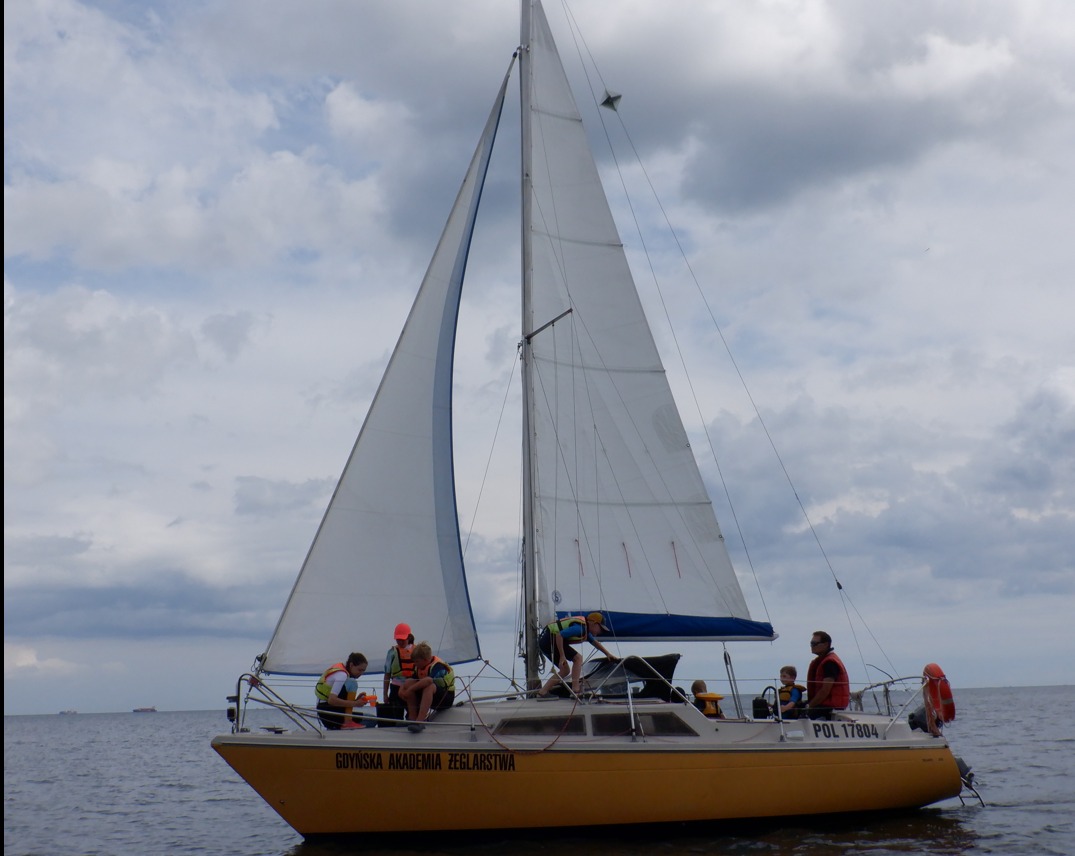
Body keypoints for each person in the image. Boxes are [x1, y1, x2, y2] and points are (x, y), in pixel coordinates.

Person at [536, 612, 618, 697]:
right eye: (600, 628)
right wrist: (562, 656)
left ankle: (542, 692)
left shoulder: (585, 630)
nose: (601, 632)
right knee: (578, 658)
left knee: (565, 670)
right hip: (550, 640)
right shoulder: (579, 628)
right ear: (594, 623)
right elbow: (559, 635)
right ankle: (575, 690)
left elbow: (594, 642)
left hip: (546, 642)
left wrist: (608, 654)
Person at [399, 641, 455, 733]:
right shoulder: (419, 667)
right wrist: (402, 689)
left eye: (417, 661)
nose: (415, 664)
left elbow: (428, 680)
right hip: (429, 696)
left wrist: (409, 690)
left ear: (425, 660)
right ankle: (412, 719)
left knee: (429, 686)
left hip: (445, 698)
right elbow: (410, 680)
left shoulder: (438, 666)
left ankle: (420, 721)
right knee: (409, 682)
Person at [314, 652, 371, 730]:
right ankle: (348, 723)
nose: (361, 673)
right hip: (328, 712)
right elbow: (332, 700)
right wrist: (355, 703)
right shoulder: (342, 675)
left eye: (363, 671)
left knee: (370, 717)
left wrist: (356, 701)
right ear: (351, 665)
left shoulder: (340, 669)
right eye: (359, 670)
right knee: (371, 720)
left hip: (327, 710)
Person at [805, 631, 850, 719]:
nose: (812, 646)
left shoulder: (830, 663)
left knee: (799, 715)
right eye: (811, 644)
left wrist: (809, 706)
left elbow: (825, 690)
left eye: (815, 643)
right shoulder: (821, 661)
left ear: (826, 644)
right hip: (823, 705)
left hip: (830, 707)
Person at [383, 622, 416, 705]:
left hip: (412, 687)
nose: (400, 642)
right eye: (398, 639)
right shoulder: (392, 652)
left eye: (402, 639)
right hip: (396, 688)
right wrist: (385, 694)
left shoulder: (417, 651)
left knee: (412, 710)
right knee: (395, 711)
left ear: (409, 637)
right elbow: (387, 674)